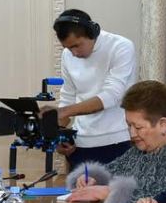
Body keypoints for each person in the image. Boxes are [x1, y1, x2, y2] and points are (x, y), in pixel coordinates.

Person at [65, 79, 166, 203]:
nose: (132, 134)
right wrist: (92, 179)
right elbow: (110, 171)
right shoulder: (138, 150)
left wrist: (109, 193)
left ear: (162, 125)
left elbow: (164, 199)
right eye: (129, 125)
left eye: (138, 127)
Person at [44, 9, 137, 169]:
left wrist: (63, 112)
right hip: (80, 144)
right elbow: (68, 96)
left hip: (118, 141)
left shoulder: (121, 46)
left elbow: (111, 95)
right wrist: (59, 135)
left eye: (76, 45)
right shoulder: (67, 55)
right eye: (68, 48)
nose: (73, 53)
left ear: (92, 32)